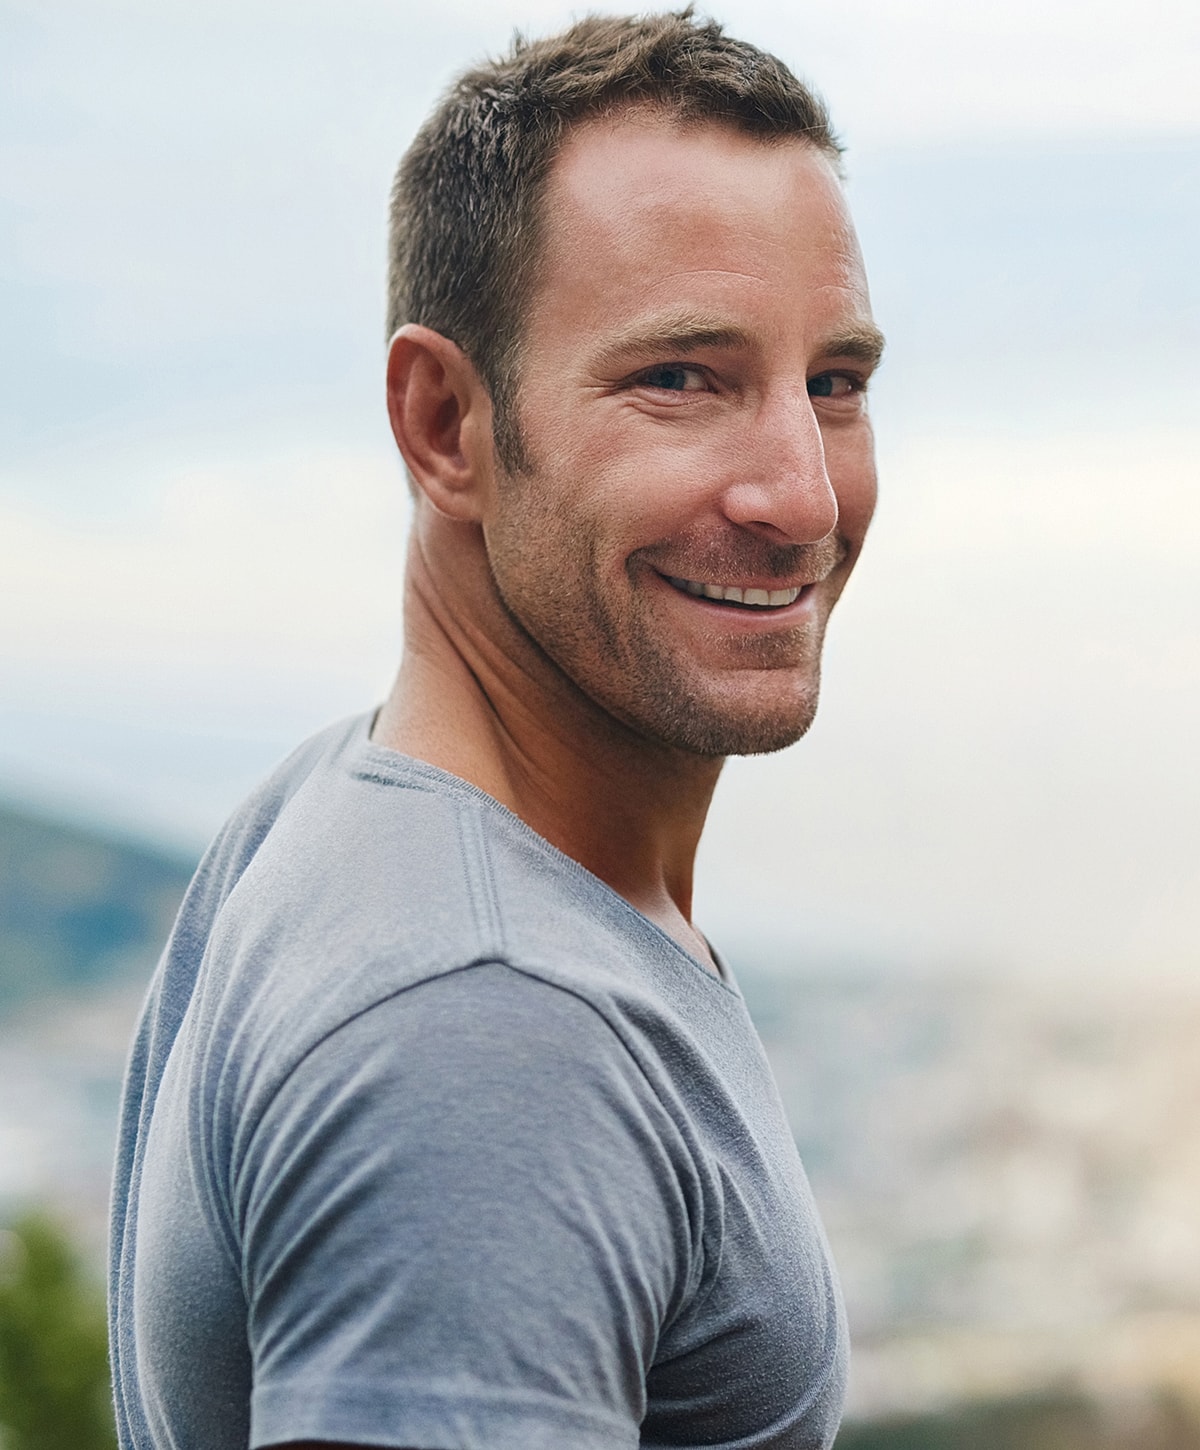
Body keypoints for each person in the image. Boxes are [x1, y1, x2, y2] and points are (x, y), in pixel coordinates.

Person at [108, 10, 884, 1449]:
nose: (804, 494)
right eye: (681, 377)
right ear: (446, 423)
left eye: (833, 382)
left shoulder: (345, 801)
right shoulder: (488, 1029)